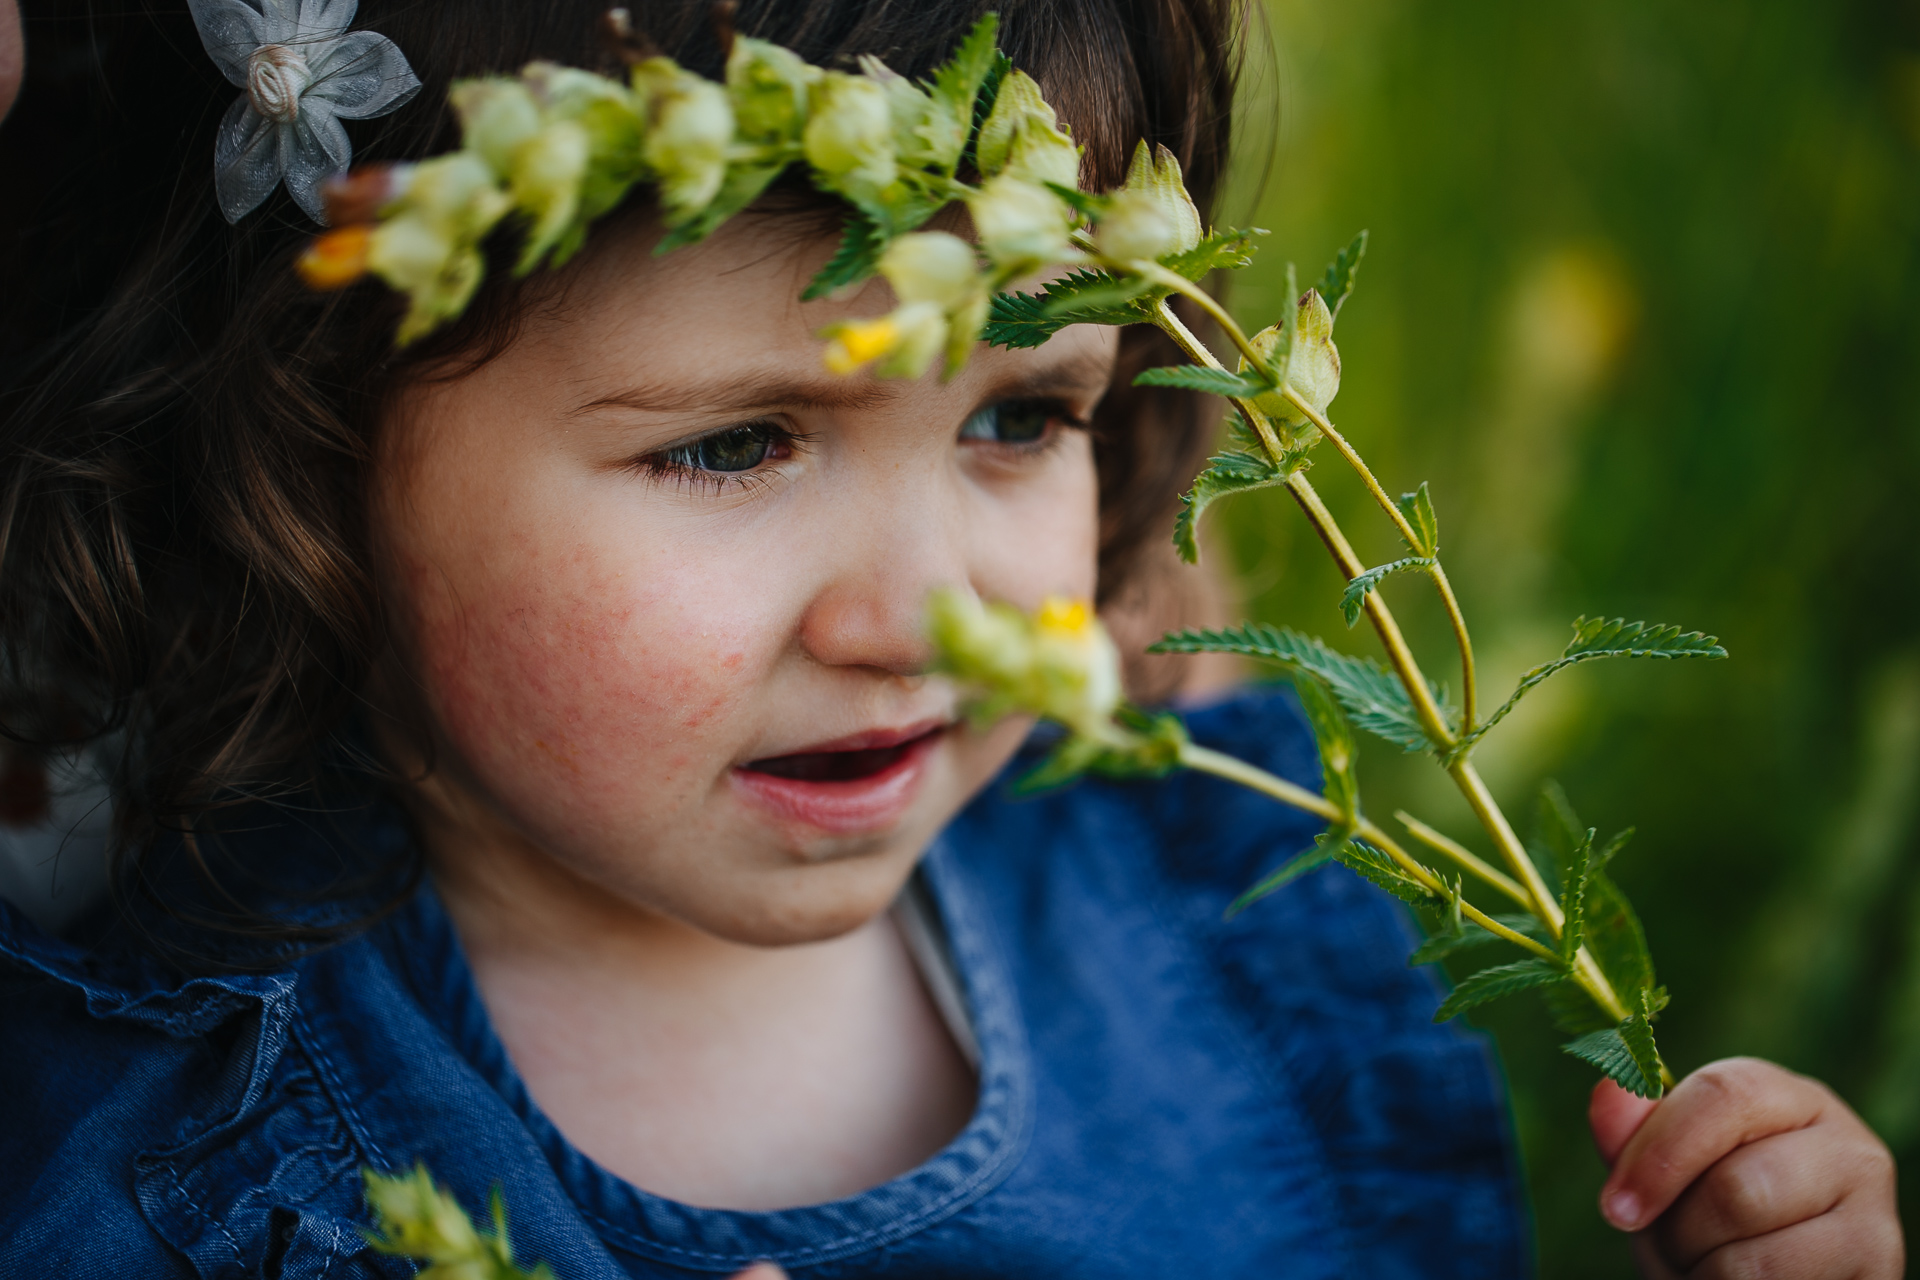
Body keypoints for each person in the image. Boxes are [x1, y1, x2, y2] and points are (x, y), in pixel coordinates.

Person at [0, 1, 1901, 1277]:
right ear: (304, 449)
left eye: (1022, 419)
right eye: (735, 444)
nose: (927, 620)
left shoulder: (1209, 887)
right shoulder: (191, 1157)